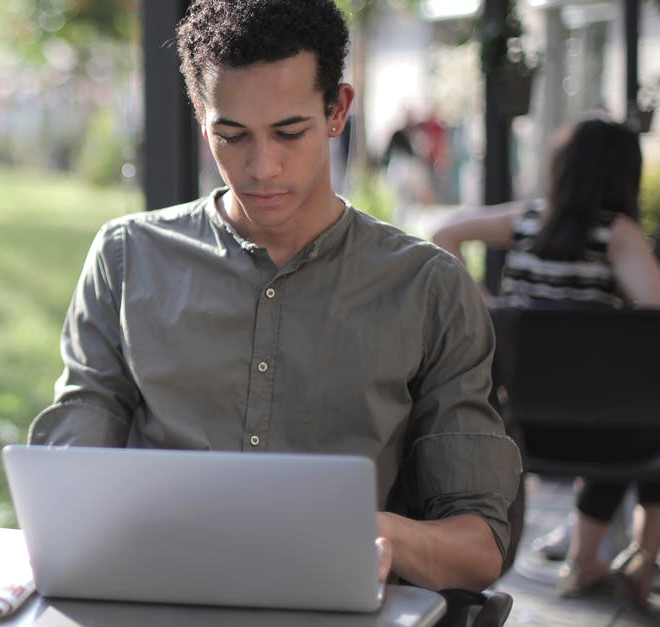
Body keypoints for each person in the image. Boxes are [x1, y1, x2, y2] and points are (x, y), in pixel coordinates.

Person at [29, 0, 521, 594]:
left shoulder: (427, 289)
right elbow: (69, 485)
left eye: (290, 132)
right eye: (231, 135)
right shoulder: (127, 258)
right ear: (200, 114)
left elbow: (480, 547)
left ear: (337, 110)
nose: (262, 167)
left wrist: (371, 532)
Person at [432, 117, 660, 608]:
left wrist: (489, 306)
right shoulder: (617, 235)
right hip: (608, 435)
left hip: (518, 425)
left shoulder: (526, 221)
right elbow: (654, 311)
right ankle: (627, 559)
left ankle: (590, 559)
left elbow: (443, 233)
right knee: (650, 418)